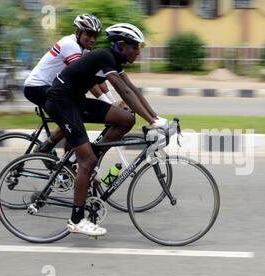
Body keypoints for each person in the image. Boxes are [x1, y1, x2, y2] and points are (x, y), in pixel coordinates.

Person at [45, 23, 168, 237]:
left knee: (126, 119)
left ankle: (93, 155)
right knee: (88, 161)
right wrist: (151, 120)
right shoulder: (104, 56)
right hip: (61, 102)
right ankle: (76, 219)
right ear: (121, 46)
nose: (138, 52)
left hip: (75, 101)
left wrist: (155, 117)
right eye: (135, 47)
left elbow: (133, 90)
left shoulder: (114, 60)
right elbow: (124, 93)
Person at [23, 14, 116, 154]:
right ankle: (45, 148)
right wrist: (108, 104)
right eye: (89, 35)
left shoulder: (84, 50)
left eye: (95, 36)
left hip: (51, 88)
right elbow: (85, 79)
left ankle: (65, 164)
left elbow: (98, 77)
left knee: (73, 116)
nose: (92, 39)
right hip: (37, 87)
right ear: (78, 32)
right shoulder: (70, 45)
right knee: (70, 117)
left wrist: (112, 100)